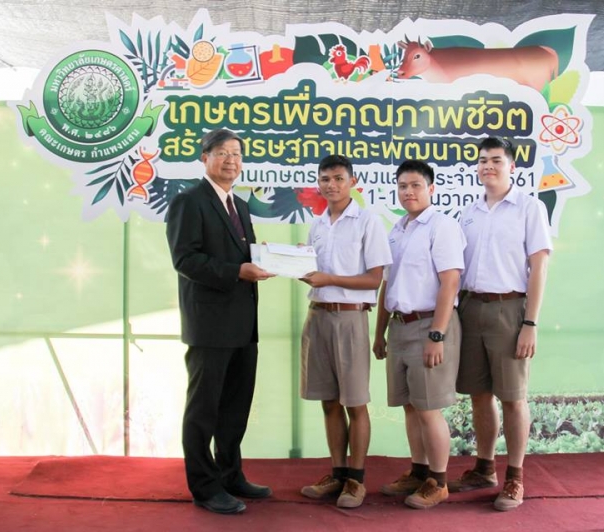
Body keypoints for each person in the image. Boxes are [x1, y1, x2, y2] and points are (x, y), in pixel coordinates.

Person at [165, 128, 275, 515]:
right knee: (204, 411)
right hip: (209, 325)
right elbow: (186, 260)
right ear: (205, 158)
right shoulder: (189, 202)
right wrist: (237, 272)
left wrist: (272, 258)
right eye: (223, 153)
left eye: (237, 154)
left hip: (243, 324)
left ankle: (231, 475)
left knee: (235, 407)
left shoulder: (240, 205)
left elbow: (246, 255)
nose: (231, 160)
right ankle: (205, 487)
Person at [449, 136, 552, 511]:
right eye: (482, 161)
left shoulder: (529, 208)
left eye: (495, 160)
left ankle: (515, 477)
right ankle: (484, 468)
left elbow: (539, 266)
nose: (487, 166)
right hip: (470, 308)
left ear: (512, 166)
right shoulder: (469, 212)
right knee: (478, 394)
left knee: (512, 397)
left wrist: (530, 323)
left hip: (510, 310)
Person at [297, 155, 392, 509]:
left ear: (353, 181)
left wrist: (330, 279)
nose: (331, 185)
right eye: (325, 179)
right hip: (317, 317)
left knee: (355, 402)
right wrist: (298, 266)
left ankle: (356, 479)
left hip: (350, 319)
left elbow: (374, 279)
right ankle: (337, 474)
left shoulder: (368, 221)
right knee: (328, 401)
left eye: (338, 178)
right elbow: (315, 273)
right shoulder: (318, 225)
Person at [372, 159, 466, 510]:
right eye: (402, 186)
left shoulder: (442, 226)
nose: (408, 191)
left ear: (431, 188)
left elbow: (450, 281)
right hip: (399, 326)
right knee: (410, 406)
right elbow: (388, 283)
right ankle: (419, 471)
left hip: (430, 325)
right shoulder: (397, 230)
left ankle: (438, 483)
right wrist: (380, 332)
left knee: (428, 409)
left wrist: (437, 334)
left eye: (415, 185)